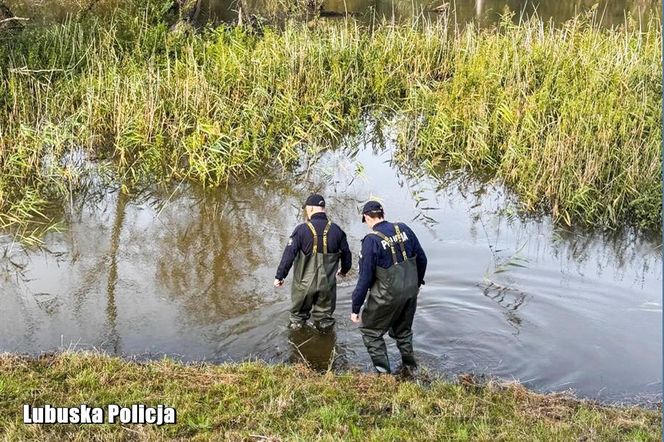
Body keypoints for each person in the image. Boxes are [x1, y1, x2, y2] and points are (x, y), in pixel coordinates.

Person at [350, 200, 427, 374]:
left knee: (370, 332)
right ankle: (410, 367)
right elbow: (422, 259)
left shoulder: (371, 240)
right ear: (383, 214)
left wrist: (356, 308)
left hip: (387, 295)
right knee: (403, 331)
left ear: (367, 217)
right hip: (409, 292)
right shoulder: (404, 229)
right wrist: (416, 285)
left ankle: (384, 374)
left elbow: (365, 279)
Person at [275, 193, 352, 330]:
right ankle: (326, 347)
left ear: (310, 209)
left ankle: (297, 344)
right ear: (323, 208)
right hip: (327, 286)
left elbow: (289, 254)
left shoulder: (301, 230)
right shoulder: (336, 230)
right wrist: (344, 271)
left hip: (303, 286)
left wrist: (280, 276)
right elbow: (347, 255)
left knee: (297, 320)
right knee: (325, 321)